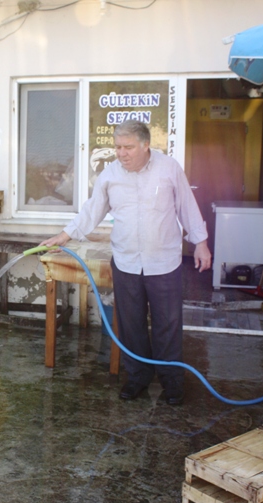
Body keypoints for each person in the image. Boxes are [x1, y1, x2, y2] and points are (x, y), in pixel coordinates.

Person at [40, 120, 211, 405]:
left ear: (146, 145)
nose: (121, 153)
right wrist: (65, 235)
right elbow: (92, 209)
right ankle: (138, 378)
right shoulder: (110, 175)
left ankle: (171, 383)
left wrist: (201, 243)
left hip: (164, 262)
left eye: (128, 147)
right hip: (126, 262)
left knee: (167, 324)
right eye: (118, 147)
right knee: (130, 324)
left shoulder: (168, 168)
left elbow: (187, 207)